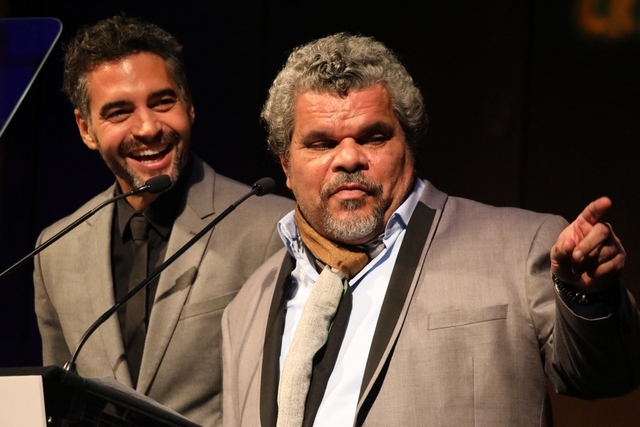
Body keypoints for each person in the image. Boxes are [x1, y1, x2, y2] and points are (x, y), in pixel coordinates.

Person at [221, 32, 640, 427]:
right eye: (322, 143)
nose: (348, 158)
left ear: (409, 145)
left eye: (373, 137)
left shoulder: (519, 247)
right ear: (286, 166)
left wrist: (587, 297)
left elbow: (605, 376)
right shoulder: (247, 307)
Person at [33, 15, 293, 427]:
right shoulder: (56, 249)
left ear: (189, 104)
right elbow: (57, 406)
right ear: (86, 129)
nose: (148, 127)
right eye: (119, 111)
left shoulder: (271, 227)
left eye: (162, 102)